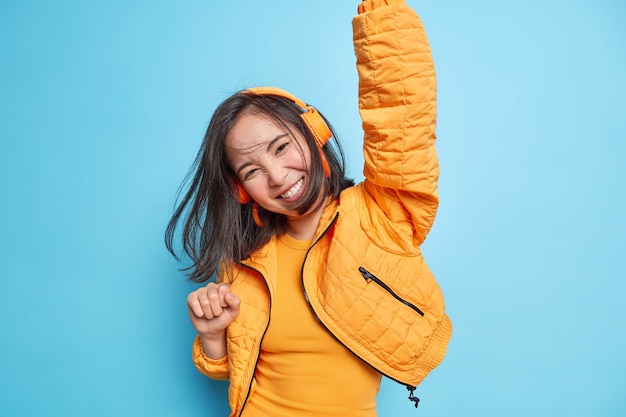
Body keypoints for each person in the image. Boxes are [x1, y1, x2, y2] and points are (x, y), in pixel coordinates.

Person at [165, 0, 452, 416]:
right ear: (242, 190)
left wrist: (383, 23)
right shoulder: (245, 262)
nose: (278, 176)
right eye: (252, 170)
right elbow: (234, 370)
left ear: (314, 133)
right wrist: (212, 335)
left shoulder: (380, 215)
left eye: (281, 148)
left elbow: (402, 125)